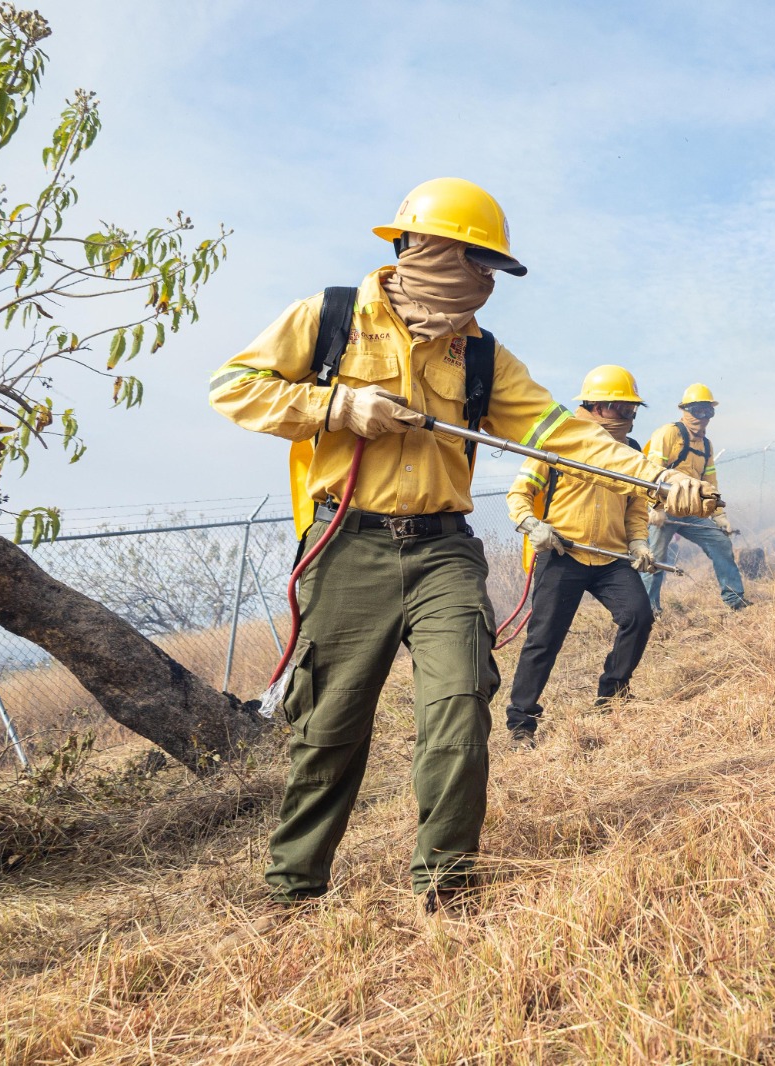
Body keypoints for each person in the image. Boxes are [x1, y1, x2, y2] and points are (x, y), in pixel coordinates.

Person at [208, 178, 715, 915]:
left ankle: (446, 887)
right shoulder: (331, 318)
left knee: (459, 707)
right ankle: (294, 890)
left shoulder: (482, 357)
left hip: (443, 549)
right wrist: (338, 405)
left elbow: (562, 434)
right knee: (330, 726)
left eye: (494, 270)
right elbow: (232, 386)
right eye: (480, 263)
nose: (486, 282)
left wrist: (657, 478)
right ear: (429, 248)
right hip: (347, 544)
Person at [502, 365, 660, 747]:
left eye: (632, 410)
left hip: (610, 558)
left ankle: (612, 695)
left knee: (638, 616)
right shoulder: (560, 441)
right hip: (562, 552)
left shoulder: (631, 453)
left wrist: (639, 543)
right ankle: (521, 721)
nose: (628, 417)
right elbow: (519, 493)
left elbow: (636, 509)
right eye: (622, 409)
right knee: (544, 639)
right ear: (596, 406)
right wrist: (531, 524)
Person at [642, 384, 749, 612]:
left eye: (708, 412)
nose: (703, 417)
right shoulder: (668, 433)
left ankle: (735, 600)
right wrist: (655, 507)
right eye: (697, 411)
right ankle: (648, 612)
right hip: (663, 509)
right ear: (684, 410)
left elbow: (710, 482)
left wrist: (719, 515)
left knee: (720, 542)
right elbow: (651, 472)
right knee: (654, 559)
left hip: (690, 510)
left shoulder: (706, 445)